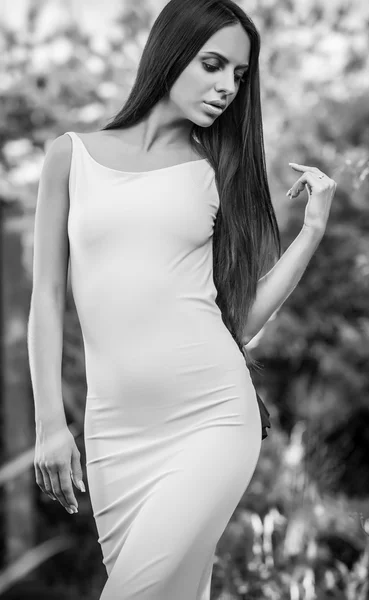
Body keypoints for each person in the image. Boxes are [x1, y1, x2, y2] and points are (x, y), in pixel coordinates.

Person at [28, 0, 336, 598]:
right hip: (114, 435)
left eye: (238, 76)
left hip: (212, 418)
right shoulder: (69, 156)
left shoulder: (218, 168)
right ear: (170, 54)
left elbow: (237, 321)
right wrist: (48, 422)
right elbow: (45, 297)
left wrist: (312, 232)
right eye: (213, 64)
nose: (226, 87)